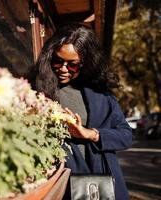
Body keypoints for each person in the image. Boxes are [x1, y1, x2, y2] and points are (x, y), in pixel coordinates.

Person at [34, 24, 132, 199]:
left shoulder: (102, 94)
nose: (63, 69)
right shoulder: (37, 93)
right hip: (61, 183)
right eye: (58, 60)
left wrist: (90, 134)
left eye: (72, 64)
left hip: (104, 182)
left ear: (86, 63)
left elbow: (125, 135)